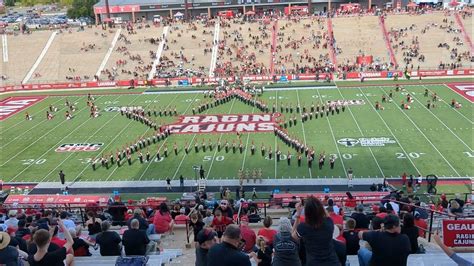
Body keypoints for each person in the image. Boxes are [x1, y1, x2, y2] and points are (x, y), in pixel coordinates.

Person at [291, 197, 340, 265]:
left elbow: (292, 237)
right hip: (332, 262)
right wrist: (318, 204)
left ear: (307, 212)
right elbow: (326, 214)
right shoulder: (329, 222)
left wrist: (298, 214)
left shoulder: (303, 227)